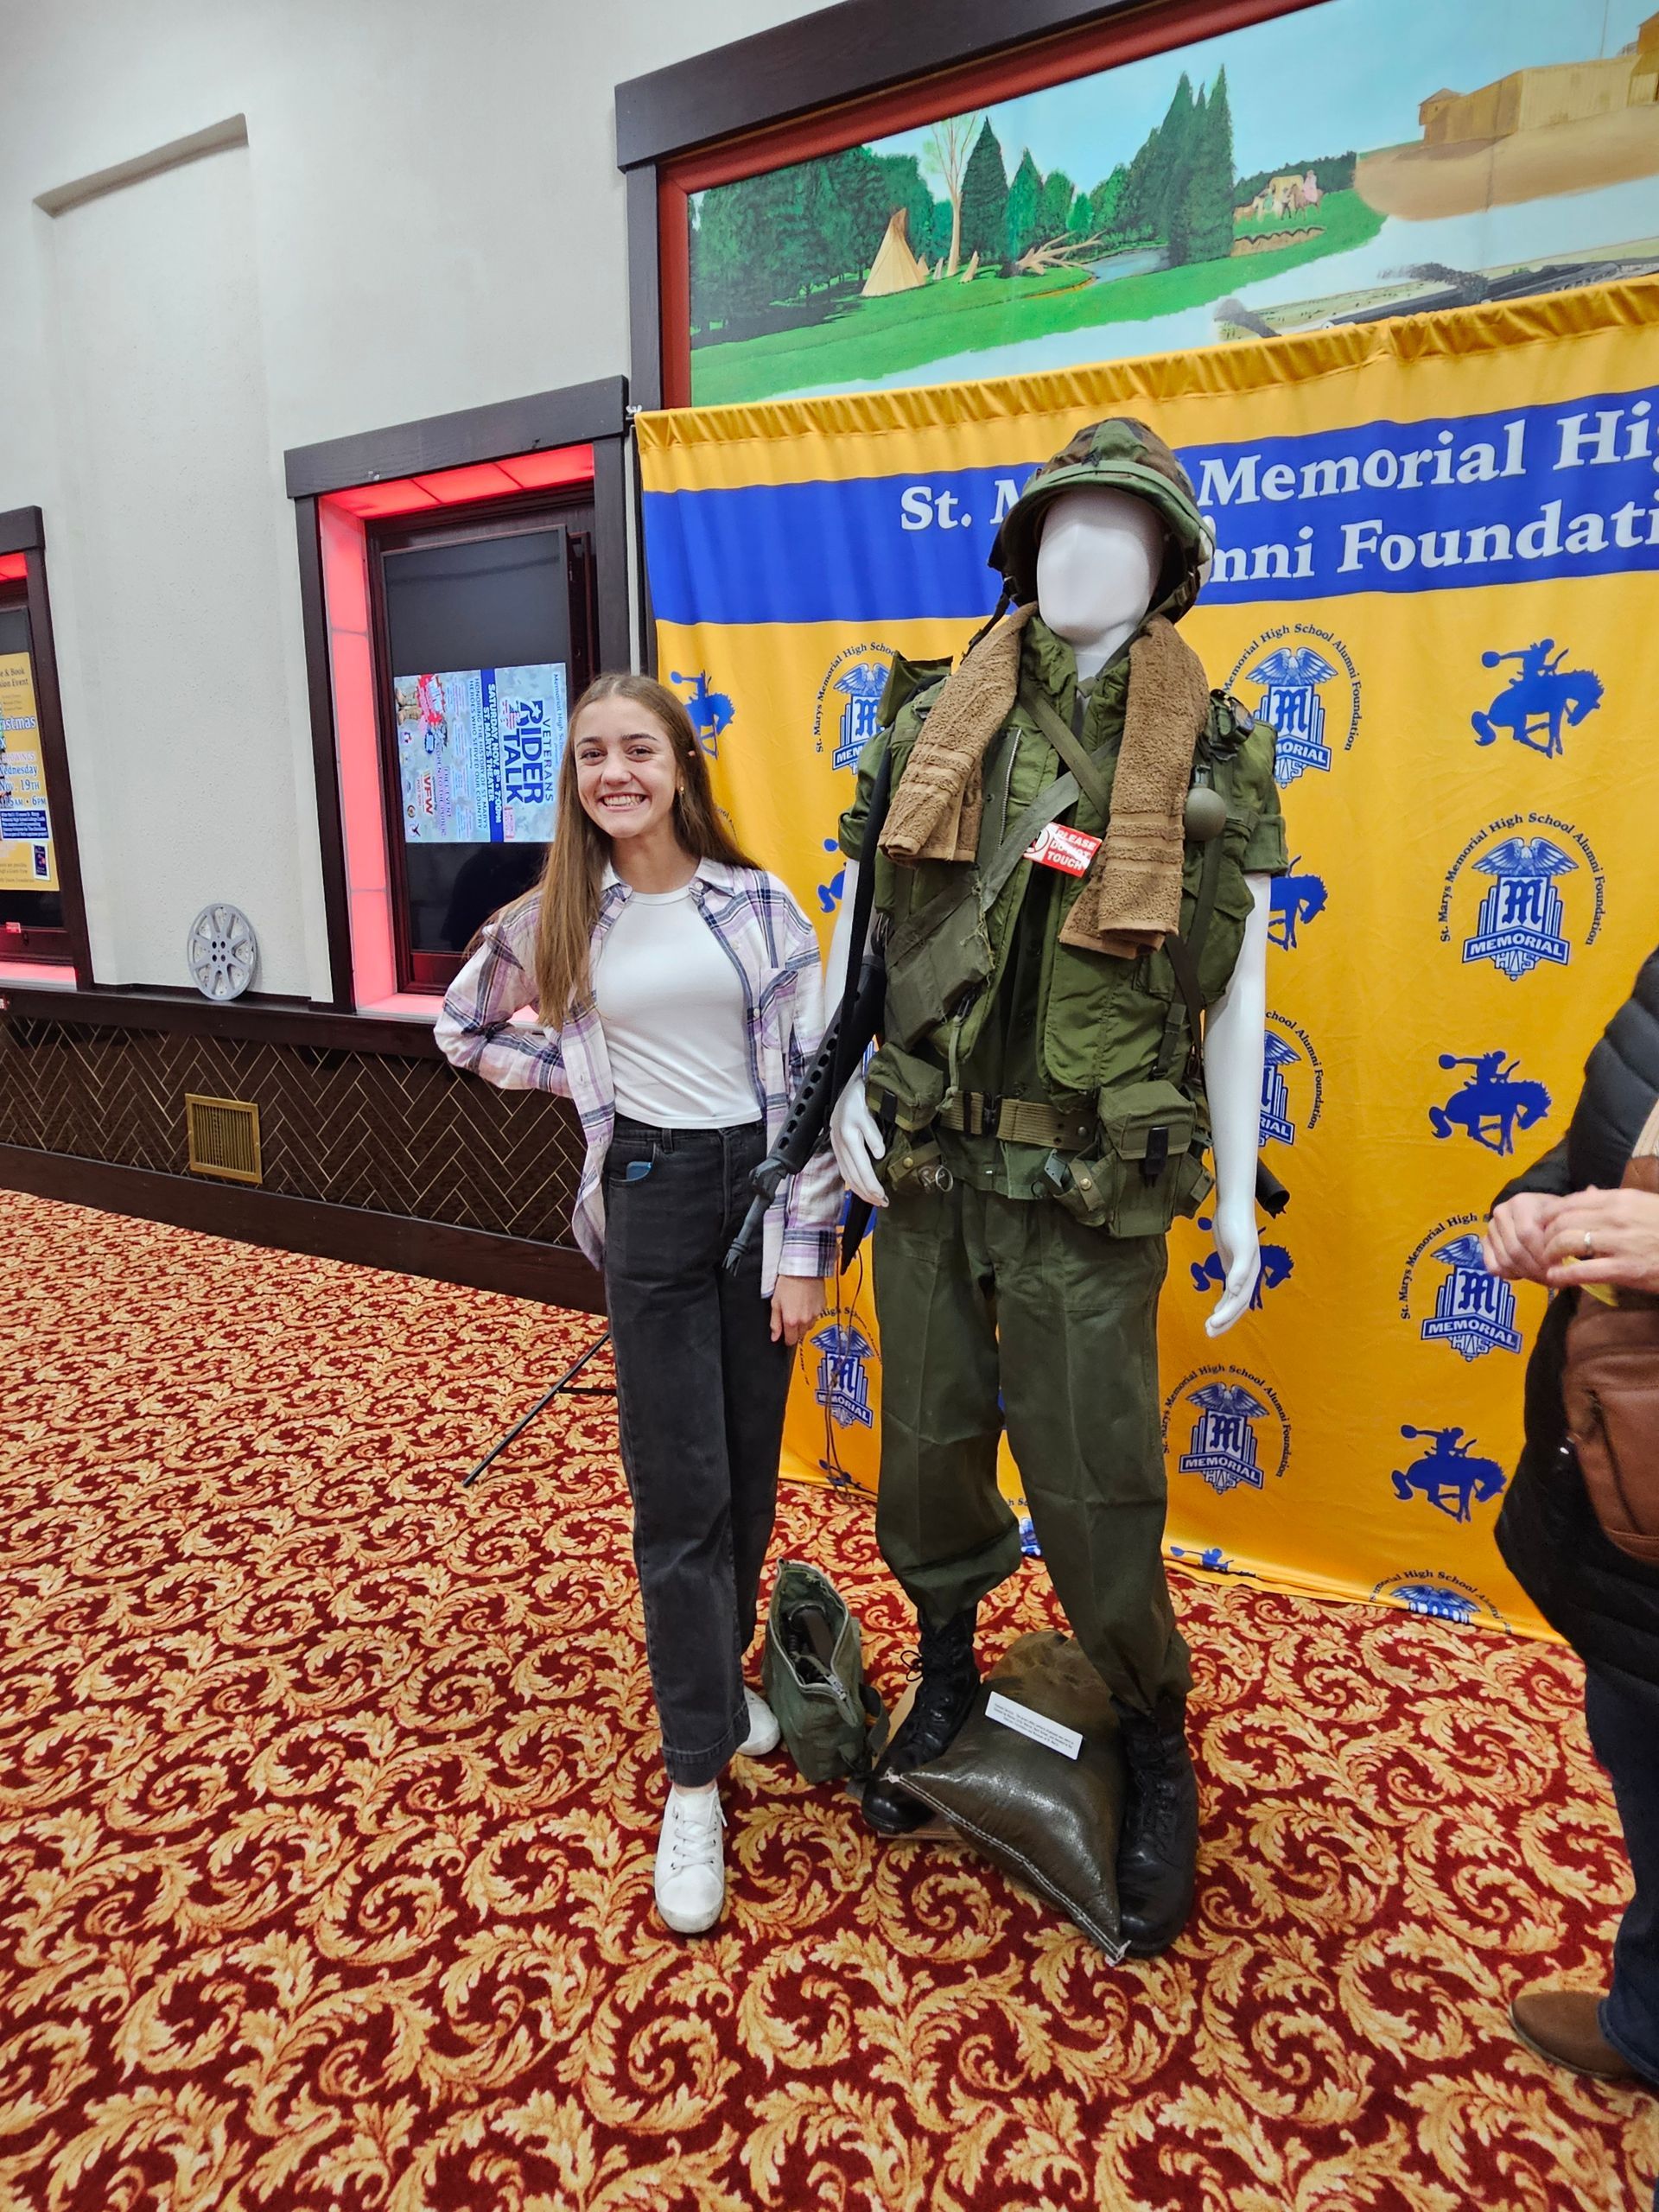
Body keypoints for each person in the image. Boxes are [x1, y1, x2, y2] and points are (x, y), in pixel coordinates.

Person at [826, 418, 1286, 1955]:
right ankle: (946, 1662)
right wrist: (835, 1098)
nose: (1089, 552)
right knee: (929, 1441)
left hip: (1092, 1177)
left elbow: (1242, 990)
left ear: (1170, 570)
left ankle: (1151, 1728)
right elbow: (863, 932)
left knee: (1095, 1482)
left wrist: (1229, 1194)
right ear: (1022, 554)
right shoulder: (928, 722)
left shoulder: (1208, 752)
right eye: (1065, 527)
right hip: (935, 1156)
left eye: (1128, 532)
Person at [437, 671, 841, 1936]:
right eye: (590, 754)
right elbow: (461, 1029)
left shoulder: (758, 903)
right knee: (678, 1492)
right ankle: (693, 1775)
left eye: (637, 750)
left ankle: (714, 1689)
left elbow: (817, 1084)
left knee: (748, 1475)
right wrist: (585, 1079)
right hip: (655, 1190)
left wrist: (802, 1247)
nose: (613, 772)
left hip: (758, 1195)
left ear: (679, 766)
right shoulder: (559, 913)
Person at [1483, 946, 1659, 2154]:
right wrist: (1540, 1200)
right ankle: (1651, 2020)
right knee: (1640, 1740)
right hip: (1626, 1473)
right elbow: (1613, 1137)